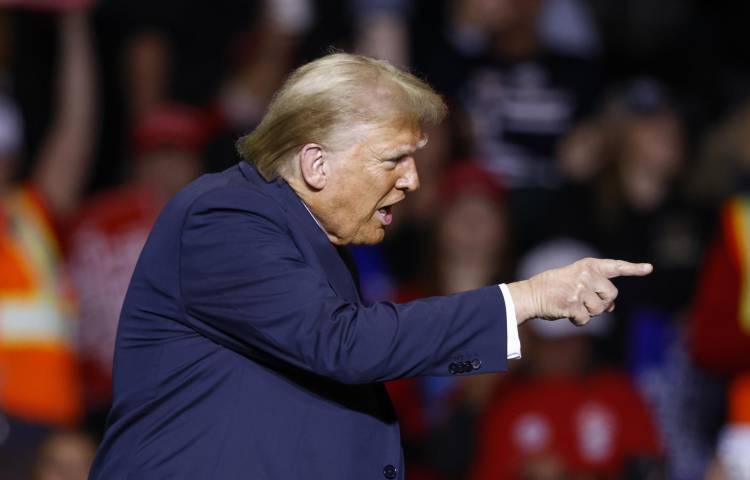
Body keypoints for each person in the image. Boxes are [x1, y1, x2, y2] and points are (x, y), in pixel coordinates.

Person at [89, 53, 652, 479]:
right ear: (315, 163)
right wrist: (524, 299)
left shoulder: (312, 240)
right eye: (394, 159)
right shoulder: (225, 215)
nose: (412, 180)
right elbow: (344, 345)